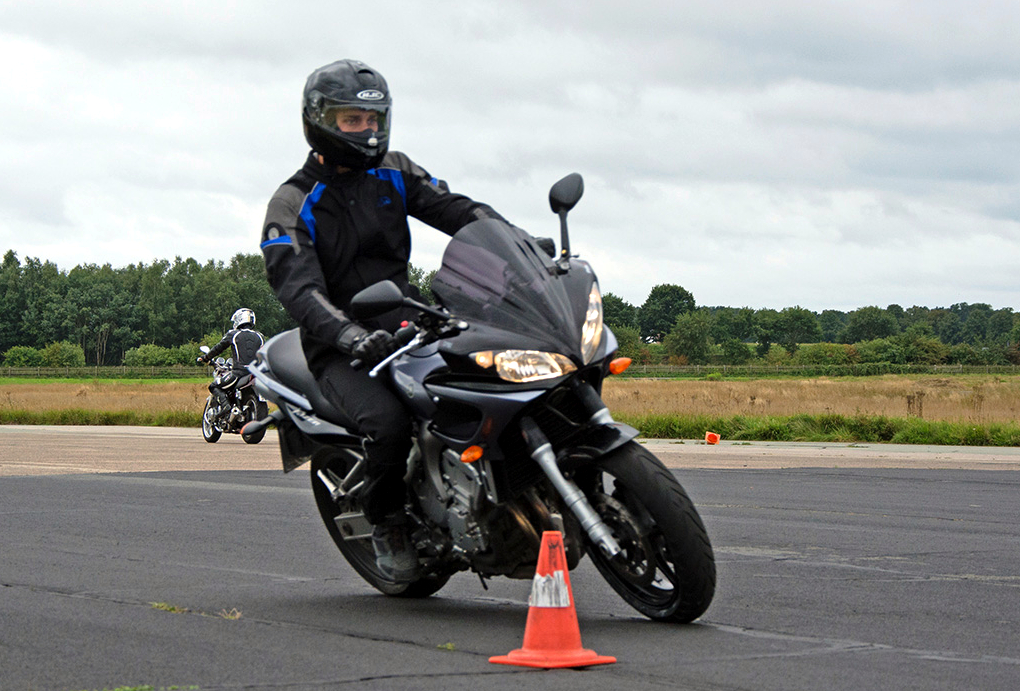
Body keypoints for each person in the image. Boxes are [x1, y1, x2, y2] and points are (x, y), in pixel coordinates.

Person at [260, 59, 510, 583]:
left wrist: (518, 245)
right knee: (389, 424)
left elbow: (458, 210)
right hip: (340, 345)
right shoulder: (292, 202)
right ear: (320, 119)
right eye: (353, 120)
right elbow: (300, 291)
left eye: (374, 120)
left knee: (494, 378)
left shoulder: (395, 170)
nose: (367, 131)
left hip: (410, 321)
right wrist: (349, 335)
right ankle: (388, 523)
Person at [198, 308, 266, 417]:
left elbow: (218, 348)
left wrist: (206, 357)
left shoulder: (233, 334)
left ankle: (226, 406)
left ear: (239, 319)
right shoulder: (260, 336)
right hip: (257, 373)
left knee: (214, 386)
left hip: (239, 373)